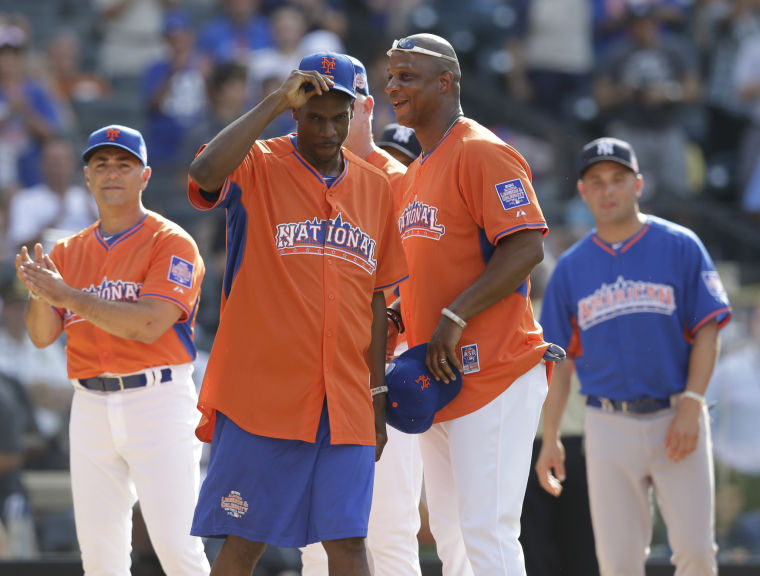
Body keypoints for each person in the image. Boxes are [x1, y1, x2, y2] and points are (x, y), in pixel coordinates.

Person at [186, 52, 408, 576]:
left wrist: (377, 396)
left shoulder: (375, 187)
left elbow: (378, 300)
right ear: (295, 112)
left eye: (339, 116)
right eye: (314, 115)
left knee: (350, 543)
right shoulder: (257, 163)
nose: (328, 129)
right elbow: (202, 173)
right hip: (264, 396)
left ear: (355, 113)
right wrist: (273, 101)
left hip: (347, 398)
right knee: (245, 542)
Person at [385, 33, 551, 576]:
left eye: (407, 76)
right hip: (439, 377)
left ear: (446, 81)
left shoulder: (481, 151)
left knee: (487, 532)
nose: (394, 86)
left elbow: (526, 245)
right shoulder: (414, 173)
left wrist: (454, 316)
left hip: (494, 370)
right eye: (391, 76)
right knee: (453, 538)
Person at [14, 124, 211, 575]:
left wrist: (68, 296)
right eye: (101, 164)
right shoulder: (66, 251)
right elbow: (42, 335)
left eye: (124, 164)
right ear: (87, 176)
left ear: (144, 177)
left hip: (157, 400)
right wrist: (40, 290)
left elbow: (148, 323)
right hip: (89, 405)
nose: (112, 173)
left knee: (178, 549)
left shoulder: (171, 241)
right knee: (100, 557)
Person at [536, 137, 732, 576]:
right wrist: (550, 437)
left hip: (676, 416)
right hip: (608, 424)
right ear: (583, 192)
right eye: (597, 182)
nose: (608, 190)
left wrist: (693, 403)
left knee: (697, 552)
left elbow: (708, 330)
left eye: (618, 180)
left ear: (638, 184)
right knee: (617, 563)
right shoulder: (570, 267)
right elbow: (559, 360)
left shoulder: (681, 245)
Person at [300, 55, 423, 576]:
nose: (331, 118)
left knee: (392, 529)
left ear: (366, 106)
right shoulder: (295, 173)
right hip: (313, 374)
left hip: (384, 370)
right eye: (318, 106)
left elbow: (413, 285)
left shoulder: (405, 180)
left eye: (345, 106)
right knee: (312, 533)